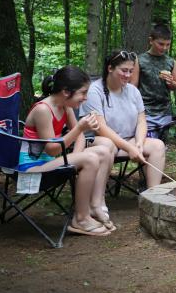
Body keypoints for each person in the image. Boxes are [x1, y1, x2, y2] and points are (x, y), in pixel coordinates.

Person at [18, 66, 116, 236]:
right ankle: (81, 218)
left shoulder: (66, 106)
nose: (85, 98)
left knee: (104, 151)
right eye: (83, 93)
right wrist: (79, 129)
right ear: (65, 91)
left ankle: (95, 205)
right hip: (33, 167)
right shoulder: (43, 110)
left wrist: (76, 156)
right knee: (91, 159)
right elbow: (52, 150)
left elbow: (79, 138)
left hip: (49, 162)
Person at [81, 50, 166, 188]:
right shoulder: (95, 91)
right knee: (107, 145)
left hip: (129, 140)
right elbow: (100, 128)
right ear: (110, 68)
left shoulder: (133, 91)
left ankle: (153, 197)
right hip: (100, 141)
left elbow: (141, 121)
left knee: (158, 146)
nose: (128, 75)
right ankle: (97, 198)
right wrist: (129, 148)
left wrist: (139, 143)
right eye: (124, 70)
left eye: (131, 71)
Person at [130, 23, 176, 136]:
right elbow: (133, 87)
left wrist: (171, 82)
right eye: (161, 44)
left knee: (162, 145)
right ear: (151, 41)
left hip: (165, 111)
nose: (164, 48)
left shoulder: (171, 62)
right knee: (147, 144)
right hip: (144, 111)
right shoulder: (139, 60)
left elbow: (175, 86)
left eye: (168, 45)